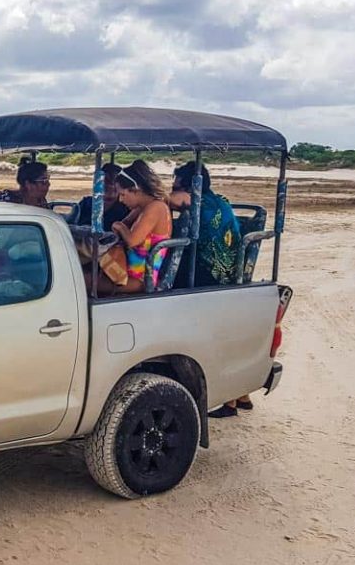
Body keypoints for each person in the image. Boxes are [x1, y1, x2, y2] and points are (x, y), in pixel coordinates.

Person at [168, 162, 246, 418]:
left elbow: (169, 201)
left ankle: (231, 400)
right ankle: (241, 393)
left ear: (189, 186)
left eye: (175, 183)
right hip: (229, 276)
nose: (172, 187)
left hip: (210, 278)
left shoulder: (197, 202)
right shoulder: (219, 201)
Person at [94, 160, 172, 295]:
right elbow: (126, 222)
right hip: (127, 272)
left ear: (136, 190)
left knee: (86, 280)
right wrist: (121, 225)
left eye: (123, 195)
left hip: (140, 280)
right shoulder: (142, 207)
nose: (120, 200)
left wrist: (119, 225)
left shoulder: (156, 207)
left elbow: (132, 240)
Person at [169, 162, 240, 288]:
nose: (172, 192)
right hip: (219, 270)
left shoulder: (201, 203)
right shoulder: (218, 199)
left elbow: (173, 199)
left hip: (212, 274)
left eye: (175, 189)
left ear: (190, 189)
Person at [75, 162, 130, 230]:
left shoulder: (127, 207)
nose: (111, 186)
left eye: (115, 181)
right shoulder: (85, 203)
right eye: (106, 181)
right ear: (98, 182)